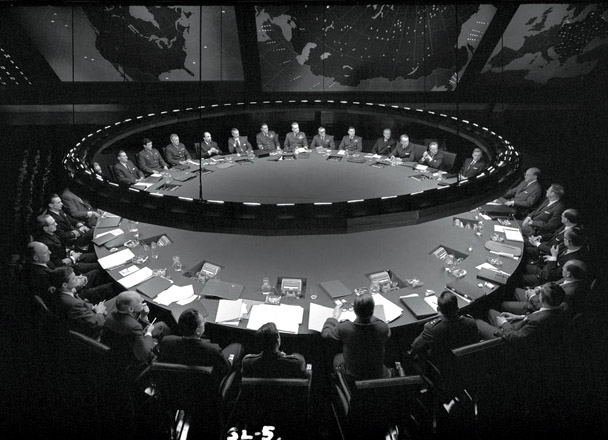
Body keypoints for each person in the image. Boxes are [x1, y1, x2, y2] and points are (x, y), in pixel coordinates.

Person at [159, 308, 243, 382]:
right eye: (203, 322)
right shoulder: (213, 350)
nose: (205, 321)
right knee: (237, 346)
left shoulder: (166, 342)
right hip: (207, 386)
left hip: (178, 384)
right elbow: (225, 368)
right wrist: (230, 361)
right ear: (197, 331)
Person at [322, 294, 391, 380]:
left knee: (337, 358)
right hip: (378, 374)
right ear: (373, 310)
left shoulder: (345, 327)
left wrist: (334, 318)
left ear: (354, 310)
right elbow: (387, 333)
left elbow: (325, 334)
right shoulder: (382, 327)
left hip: (353, 376)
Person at [475, 282, 567, 344]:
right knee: (490, 312)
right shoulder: (561, 308)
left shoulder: (537, 322)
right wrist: (517, 317)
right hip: (520, 324)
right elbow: (537, 314)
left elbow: (515, 338)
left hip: (507, 338)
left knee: (477, 322)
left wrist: (504, 323)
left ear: (541, 299)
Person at [102, 291, 170, 366]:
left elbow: (130, 329)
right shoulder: (135, 327)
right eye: (139, 302)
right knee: (166, 338)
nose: (143, 301)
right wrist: (148, 333)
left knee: (161, 325)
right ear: (131, 309)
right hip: (131, 358)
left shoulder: (110, 316)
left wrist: (143, 316)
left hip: (117, 347)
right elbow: (144, 354)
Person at [411, 291, 479, 366]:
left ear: (438, 309)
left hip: (443, 366)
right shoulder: (471, 322)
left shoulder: (432, 328)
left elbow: (415, 345)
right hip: (467, 362)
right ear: (457, 308)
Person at [502, 260, 588, 316]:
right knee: (513, 289)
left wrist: (532, 296)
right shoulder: (572, 279)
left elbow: (549, 309)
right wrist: (540, 288)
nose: (562, 269)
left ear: (568, 274)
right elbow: (554, 284)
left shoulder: (569, 294)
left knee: (503, 304)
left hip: (536, 306)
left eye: (563, 269)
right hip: (540, 295)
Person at [47, 266, 108, 339]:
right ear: (64, 285)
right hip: (93, 329)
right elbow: (97, 323)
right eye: (73, 278)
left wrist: (92, 307)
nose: (78, 278)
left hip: (87, 314)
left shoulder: (56, 291)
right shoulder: (73, 304)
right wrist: (100, 312)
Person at [521, 229, 588, 286]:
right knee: (522, 265)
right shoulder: (570, 246)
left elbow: (553, 275)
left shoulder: (573, 261)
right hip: (545, 266)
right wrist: (552, 258)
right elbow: (555, 252)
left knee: (519, 277)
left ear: (568, 242)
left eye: (564, 238)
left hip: (546, 277)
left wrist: (553, 258)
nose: (563, 239)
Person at [242, 322, 308, 378]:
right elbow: (306, 376)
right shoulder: (297, 362)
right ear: (277, 340)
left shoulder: (247, 362)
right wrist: (285, 355)